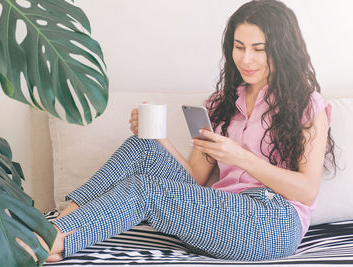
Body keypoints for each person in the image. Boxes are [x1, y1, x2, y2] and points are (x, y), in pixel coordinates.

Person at [38, 0, 336, 262]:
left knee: (146, 190)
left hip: (274, 221)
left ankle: (57, 241)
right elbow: (194, 179)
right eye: (239, 46)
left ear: (282, 50)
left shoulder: (307, 105)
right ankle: (63, 220)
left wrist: (241, 157)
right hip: (216, 212)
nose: (246, 59)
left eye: (259, 49)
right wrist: (158, 138)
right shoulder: (222, 103)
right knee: (141, 146)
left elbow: (307, 191)